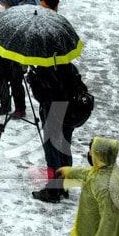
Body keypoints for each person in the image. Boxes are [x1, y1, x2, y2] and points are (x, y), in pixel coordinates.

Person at [30, 61, 90, 202]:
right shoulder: (69, 66)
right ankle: (64, 185)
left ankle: (53, 191)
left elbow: (43, 96)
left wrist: (33, 81)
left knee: (52, 152)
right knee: (64, 149)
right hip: (69, 114)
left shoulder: (45, 69)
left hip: (54, 112)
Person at [58, 136, 119, 236]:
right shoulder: (109, 167)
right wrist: (69, 172)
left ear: (101, 155)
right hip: (88, 225)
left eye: (92, 151)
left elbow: (109, 221)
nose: (89, 154)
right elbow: (91, 174)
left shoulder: (105, 186)